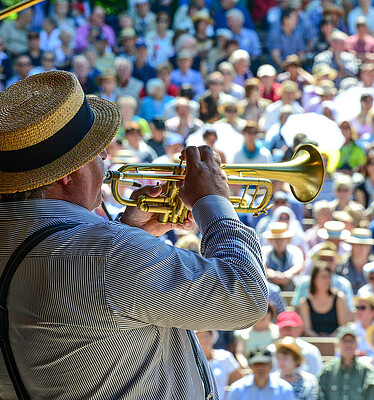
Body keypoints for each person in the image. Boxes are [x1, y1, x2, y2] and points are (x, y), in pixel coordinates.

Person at [0, 71, 269, 399]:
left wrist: (130, 234)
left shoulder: (97, 250)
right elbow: (247, 297)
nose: (105, 159)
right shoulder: (106, 253)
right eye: (97, 152)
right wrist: (213, 200)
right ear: (68, 175)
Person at [318, 325, 374, 400]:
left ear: (357, 344)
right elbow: (320, 395)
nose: (348, 344)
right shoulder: (327, 371)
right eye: (344, 341)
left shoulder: (367, 371)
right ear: (337, 344)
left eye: (351, 341)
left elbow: (373, 395)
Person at [299, 262, 349, 336]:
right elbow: (307, 329)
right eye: (323, 277)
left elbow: (342, 327)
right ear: (314, 279)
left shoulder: (339, 299)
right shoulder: (305, 302)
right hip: (313, 344)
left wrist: (329, 340)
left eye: (329, 277)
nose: (327, 280)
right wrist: (320, 341)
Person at [267, 311, 323, 376]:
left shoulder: (311, 351)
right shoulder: (270, 351)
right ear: (279, 330)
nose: (287, 331)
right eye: (284, 328)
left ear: (300, 329)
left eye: (291, 327)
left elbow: (316, 377)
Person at [227, 348, 296, 399]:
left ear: (271, 365)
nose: (260, 368)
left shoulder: (284, 389)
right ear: (250, 366)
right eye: (257, 364)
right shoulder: (237, 389)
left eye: (264, 364)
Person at [196, 330, 243, 400]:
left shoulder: (224, 356)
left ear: (212, 337)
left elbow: (240, 382)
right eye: (200, 337)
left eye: (206, 336)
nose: (204, 340)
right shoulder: (189, 359)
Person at [262, 222, 304, 290]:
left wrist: (288, 274)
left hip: (291, 285)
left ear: (288, 240)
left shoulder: (295, 251)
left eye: (281, 240)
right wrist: (272, 274)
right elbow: (262, 266)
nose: (279, 243)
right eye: (276, 240)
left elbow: (298, 265)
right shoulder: (264, 251)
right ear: (270, 240)